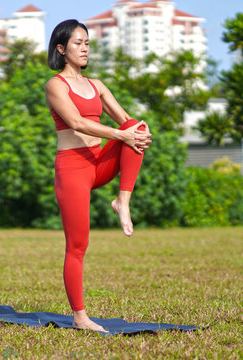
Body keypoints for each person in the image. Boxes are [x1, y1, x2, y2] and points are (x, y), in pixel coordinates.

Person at [45, 19, 153, 332]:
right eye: (78, 43)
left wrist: (138, 135)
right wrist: (124, 137)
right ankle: (80, 317)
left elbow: (126, 123)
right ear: (62, 49)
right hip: (73, 168)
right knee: (77, 246)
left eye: (87, 43)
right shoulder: (56, 85)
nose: (84, 48)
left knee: (137, 127)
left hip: (99, 163)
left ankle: (123, 200)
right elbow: (77, 123)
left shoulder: (97, 85)